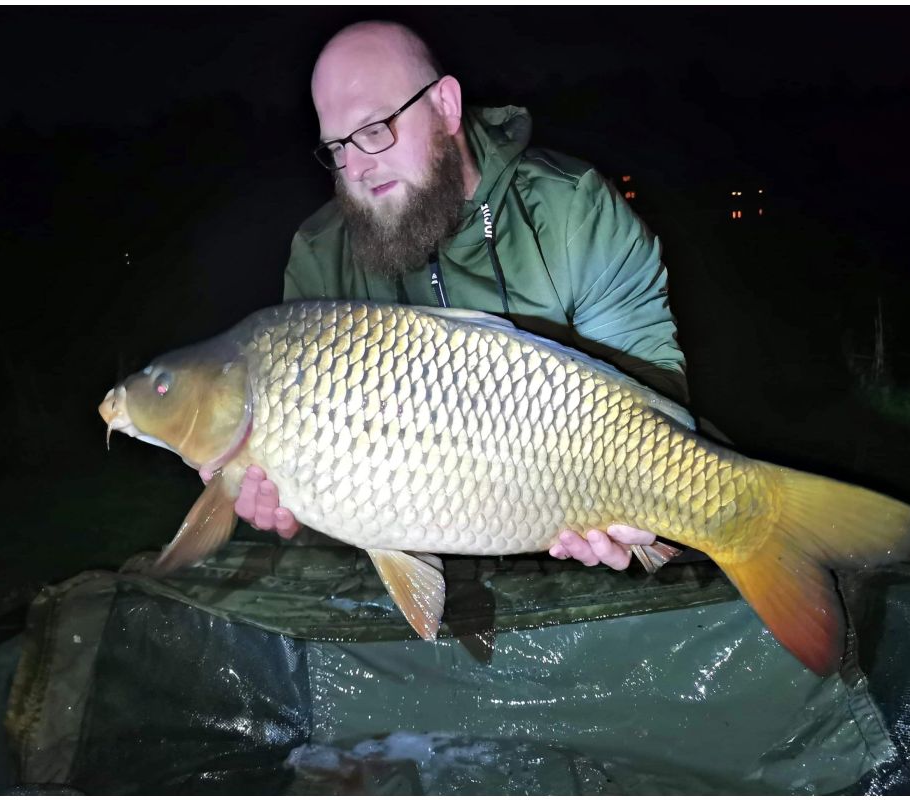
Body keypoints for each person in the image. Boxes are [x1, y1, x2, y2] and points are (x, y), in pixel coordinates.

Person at [215, 20, 691, 571]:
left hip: (570, 520)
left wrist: (635, 499)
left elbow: (653, 381)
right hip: (416, 536)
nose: (358, 167)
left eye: (374, 129)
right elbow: (325, 474)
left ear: (445, 105)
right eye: (337, 148)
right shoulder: (320, 256)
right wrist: (296, 503)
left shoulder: (571, 214)